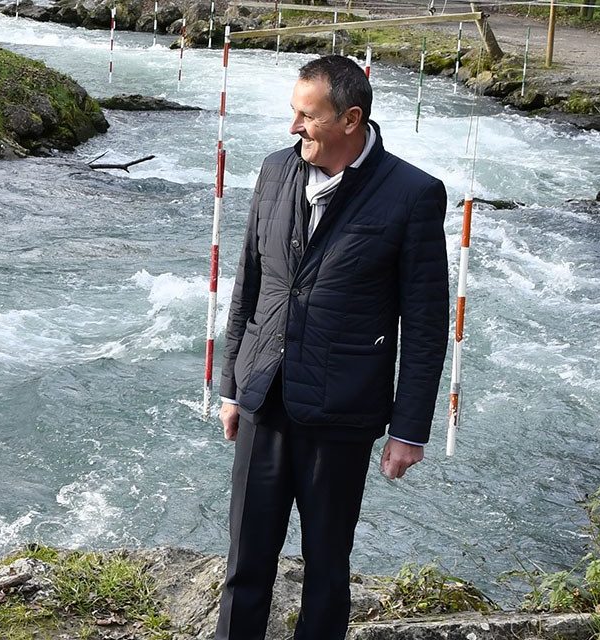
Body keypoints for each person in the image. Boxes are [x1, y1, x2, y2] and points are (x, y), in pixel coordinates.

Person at [216, 55, 449, 640]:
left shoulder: (414, 194)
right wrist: (231, 386)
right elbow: (249, 281)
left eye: (307, 116)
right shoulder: (275, 171)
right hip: (264, 397)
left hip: (342, 414)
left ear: (351, 118)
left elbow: (424, 324)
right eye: (293, 112)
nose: (294, 127)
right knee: (244, 565)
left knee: (326, 570)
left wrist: (409, 429)